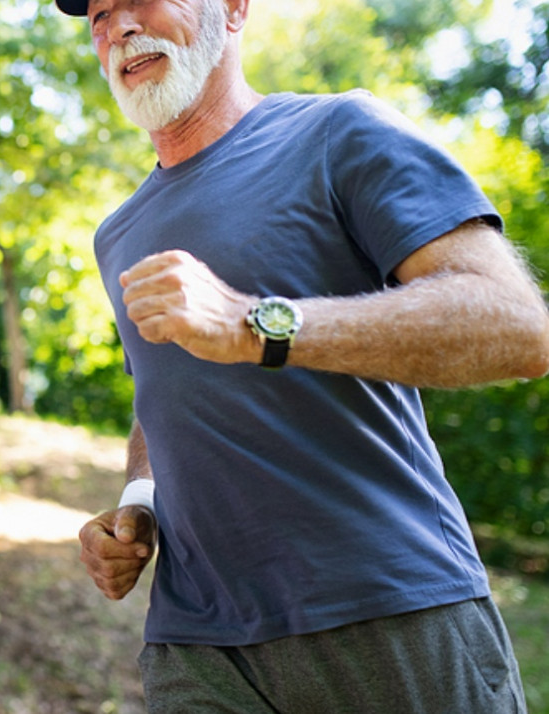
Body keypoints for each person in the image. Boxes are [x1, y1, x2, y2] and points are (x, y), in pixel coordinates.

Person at [54, 0, 549, 711]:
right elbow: (161, 401)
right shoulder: (118, 234)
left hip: (386, 606)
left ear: (232, 8)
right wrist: (138, 504)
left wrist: (258, 325)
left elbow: (517, 325)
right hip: (195, 640)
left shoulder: (340, 132)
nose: (118, 27)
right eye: (99, 13)